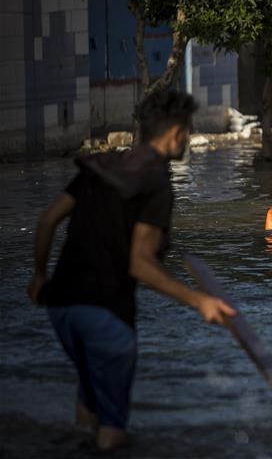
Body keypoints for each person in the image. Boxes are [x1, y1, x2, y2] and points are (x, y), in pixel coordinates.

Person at [26, 90, 234, 451]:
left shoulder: (100, 165)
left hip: (61, 307)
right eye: (186, 130)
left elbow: (46, 222)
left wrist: (40, 276)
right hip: (107, 313)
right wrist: (198, 300)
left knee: (89, 402)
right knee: (113, 431)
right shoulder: (157, 183)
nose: (187, 138)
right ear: (174, 133)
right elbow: (139, 264)